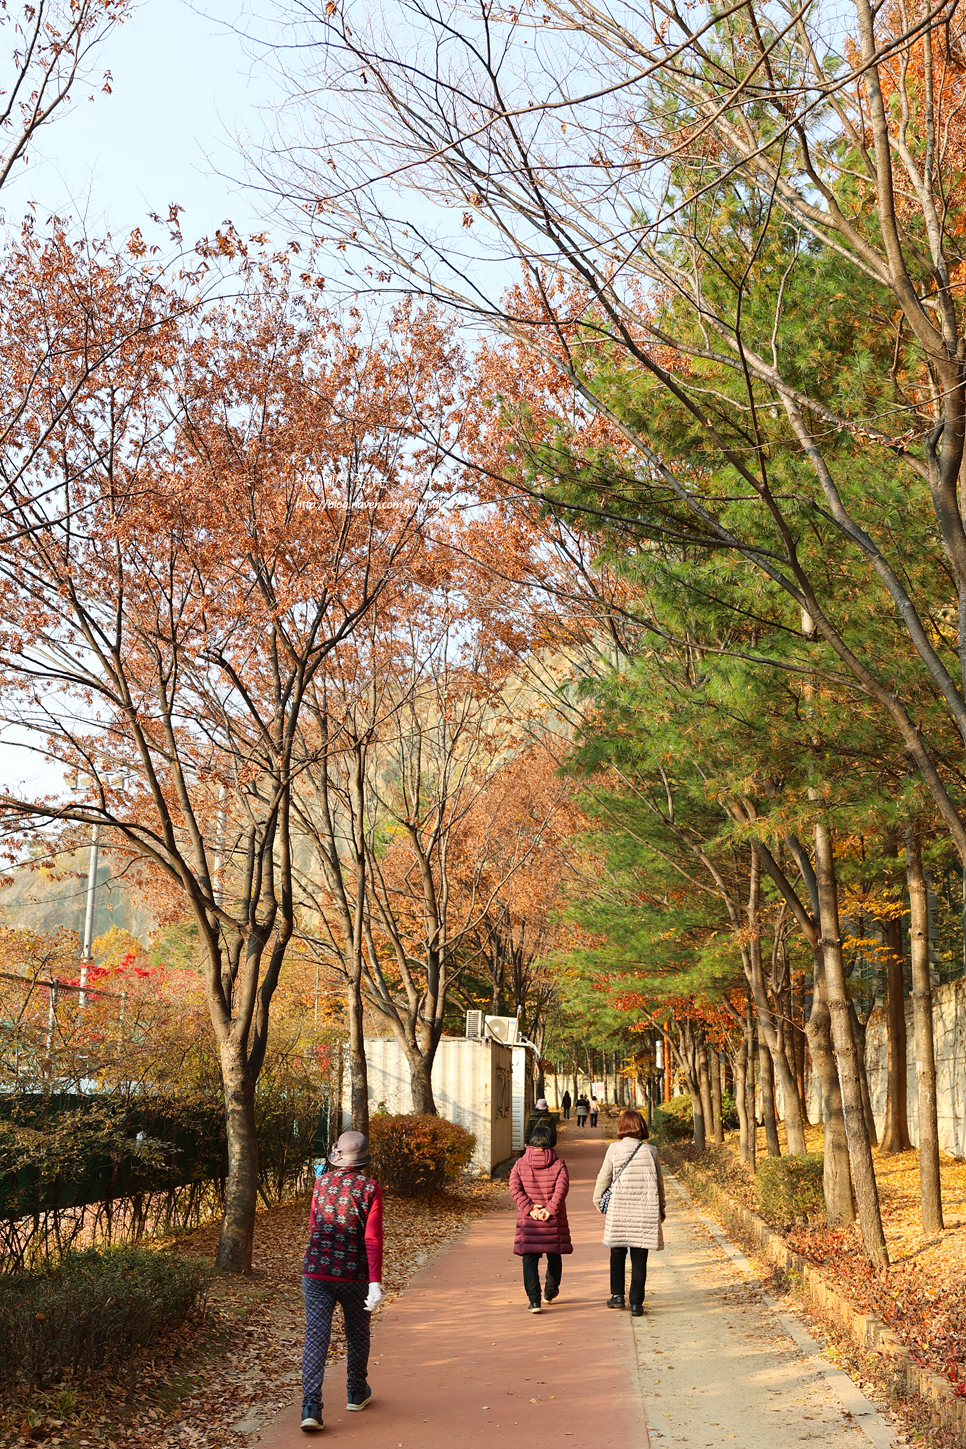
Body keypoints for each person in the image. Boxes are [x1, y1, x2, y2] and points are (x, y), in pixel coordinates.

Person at [299, 1130, 384, 1433]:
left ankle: (311, 1406)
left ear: (337, 1156)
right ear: (363, 1161)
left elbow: (314, 1225)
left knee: (316, 1337)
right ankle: (356, 1392)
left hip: (316, 1270)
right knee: (357, 1333)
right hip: (353, 1273)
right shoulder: (370, 1188)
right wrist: (375, 1282)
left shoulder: (320, 1183)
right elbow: (371, 1239)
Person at [593, 1109, 665, 1317]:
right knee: (639, 1255)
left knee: (617, 1252)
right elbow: (659, 1182)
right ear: (641, 1127)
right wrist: (661, 1207)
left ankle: (617, 1297)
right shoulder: (651, 1151)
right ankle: (636, 1304)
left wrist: (598, 1201)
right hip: (644, 1210)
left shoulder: (614, 1149)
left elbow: (603, 1178)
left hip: (619, 1210)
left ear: (622, 1127)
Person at [509, 1121, 573, 1312]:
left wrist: (530, 1209)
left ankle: (534, 1301)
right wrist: (550, 1210)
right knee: (554, 1256)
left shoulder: (519, 1164)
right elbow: (562, 1189)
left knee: (529, 1259)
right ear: (552, 1144)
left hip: (529, 1222)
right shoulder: (559, 1164)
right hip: (553, 1221)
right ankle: (550, 1291)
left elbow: (514, 1188)